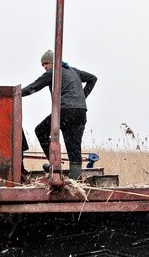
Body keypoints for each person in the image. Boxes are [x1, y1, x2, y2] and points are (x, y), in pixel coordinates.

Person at [21, 50, 97, 180]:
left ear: (53, 62)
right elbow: (92, 78)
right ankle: (76, 180)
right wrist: (82, 98)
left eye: (46, 64)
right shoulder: (74, 71)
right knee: (74, 146)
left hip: (65, 111)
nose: (45, 67)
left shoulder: (53, 72)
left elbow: (34, 87)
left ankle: (53, 165)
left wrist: (16, 93)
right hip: (80, 112)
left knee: (40, 130)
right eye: (43, 65)